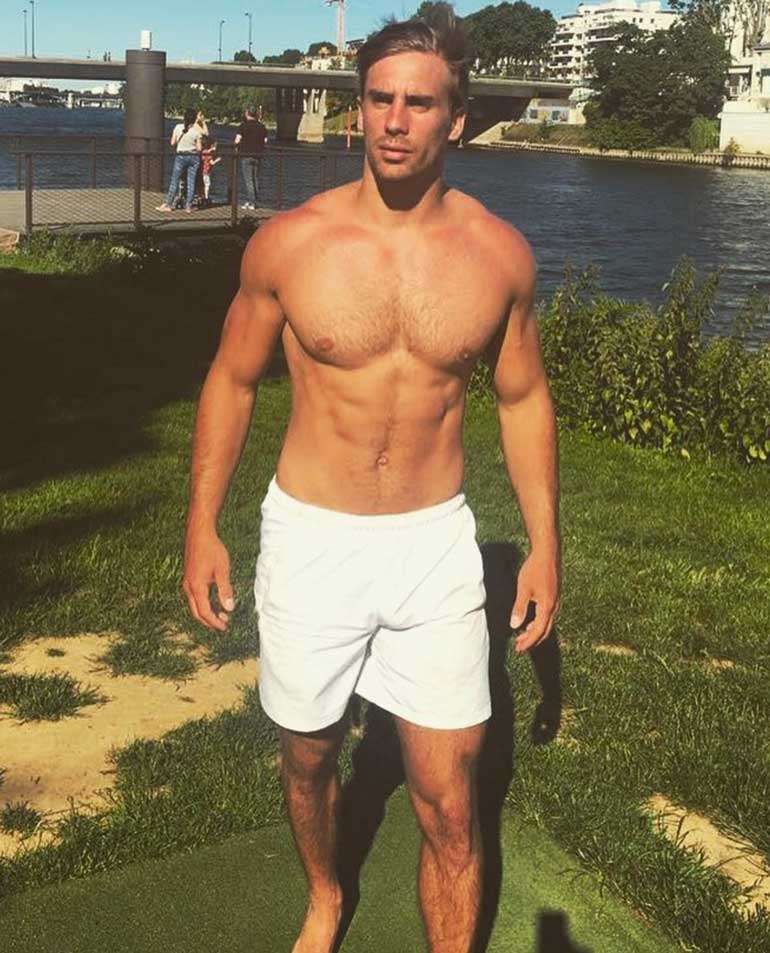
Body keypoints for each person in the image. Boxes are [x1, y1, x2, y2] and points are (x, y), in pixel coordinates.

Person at [183, 13, 560, 953]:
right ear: (360, 108)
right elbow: (231, 379)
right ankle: (325, 894)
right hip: (313, 536)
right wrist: (202, 521)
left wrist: (544, 544)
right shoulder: (289, 244)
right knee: (310, 757)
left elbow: (523, 399)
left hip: (433, 544)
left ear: (456, 120)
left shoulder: (500, 256)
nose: (394, 120)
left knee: (451, 796)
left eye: (418, 103)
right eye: (380, 99)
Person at [156, 108, 203, 213]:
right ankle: (189, 206)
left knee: (175, 180)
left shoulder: (178, 127)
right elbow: (199, 149)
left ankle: (168, 204)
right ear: (194, 119)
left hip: (181, 156)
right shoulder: (196, 132)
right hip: (193, 157)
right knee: (191, 181)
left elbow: (172, 143)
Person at [234, 106, 268, 209]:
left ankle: (251, 202)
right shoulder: (262, 127)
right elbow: (265, 141)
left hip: (246, 154)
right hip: (258, 155)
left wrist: (237, 148)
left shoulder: (243, 126)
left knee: (248, 180)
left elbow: (237, 140)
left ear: (247, 114)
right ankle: (254, 202)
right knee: (255, 178)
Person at [200, 135, 221, 205]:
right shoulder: (210, 154)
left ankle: (203, 196)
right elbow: (212, 163)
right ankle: (206, 197)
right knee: (207, 184)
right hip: (206, 171)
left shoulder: (204, 152)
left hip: (202, 170)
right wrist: (217, 160)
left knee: (203, 184)